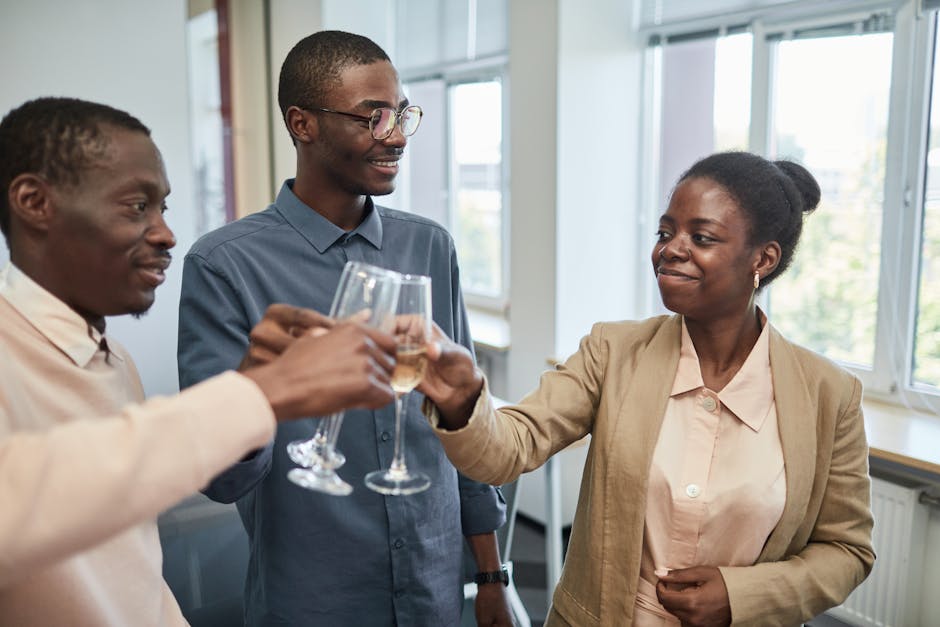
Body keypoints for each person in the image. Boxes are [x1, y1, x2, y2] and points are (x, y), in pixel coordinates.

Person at [418, 151, 875, 626]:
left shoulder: (830, 394)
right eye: (665, 232)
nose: (671, 249)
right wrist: (464, 402)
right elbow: (510, 449)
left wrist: (741, 596)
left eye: (701, 237)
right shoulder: (613, 350)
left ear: (763, 258)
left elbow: (847, 550)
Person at [0, 96, 400, 626]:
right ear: (34, 202)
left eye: (162, 207)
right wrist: (263, 394)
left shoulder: (113, 360)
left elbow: (124, 575)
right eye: (136, 206)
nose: (166, 233)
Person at [177, 30, 511, 626]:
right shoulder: (224, 265)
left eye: (402, 113)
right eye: (373, 116)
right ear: (302, 124)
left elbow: (460, 422)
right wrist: (262, 391)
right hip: (313, 598)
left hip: (434, 591)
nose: (398, 135)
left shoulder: (430, 245)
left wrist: (490, 577)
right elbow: (221, 480)